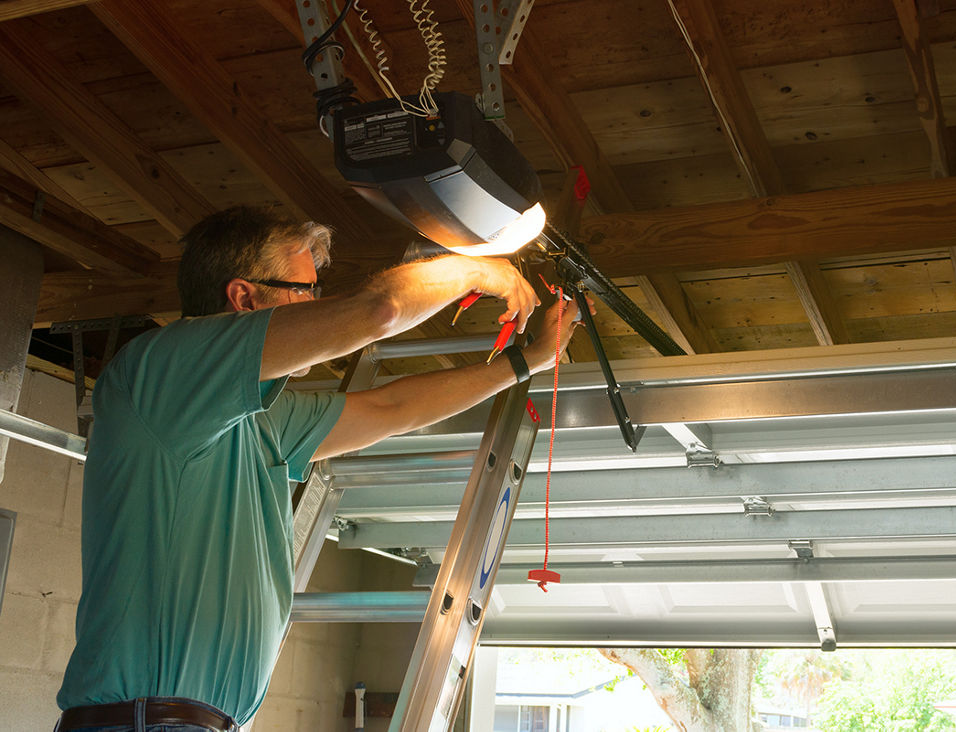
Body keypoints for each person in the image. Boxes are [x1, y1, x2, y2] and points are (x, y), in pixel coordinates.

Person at [53, 206, 582, 731]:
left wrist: (527, 361)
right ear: (243, 297)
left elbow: (390, 409)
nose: (317, 304)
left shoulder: (261, 417)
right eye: (304, 290)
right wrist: (478, 268)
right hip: (147, 723)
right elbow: (378, 310)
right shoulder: (161, 374)